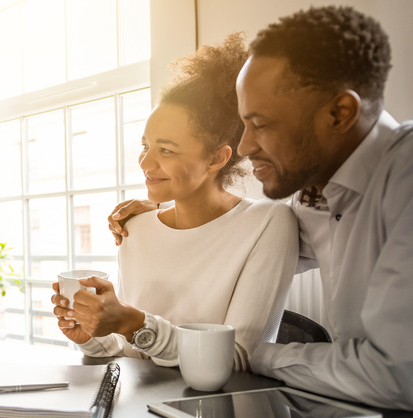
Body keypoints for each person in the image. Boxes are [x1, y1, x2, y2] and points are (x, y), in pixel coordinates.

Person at [110, 6, 413, 411]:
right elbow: (236, 234)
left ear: (340, 113)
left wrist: (254, 354)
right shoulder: (314, 200)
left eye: (262, 124)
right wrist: (167, 210)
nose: (246, 146)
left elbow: (396, 376)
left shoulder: (404, 182)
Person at [51, 34, 299, 371]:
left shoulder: (268, 223)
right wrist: (92, 334)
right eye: (145, 146)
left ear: (216, 158)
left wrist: (133, 324)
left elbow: (238, 358)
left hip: (217, 413)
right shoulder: (134, 227)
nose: (145, 163)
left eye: (166, 150)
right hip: (139, 412)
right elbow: (129, 350)